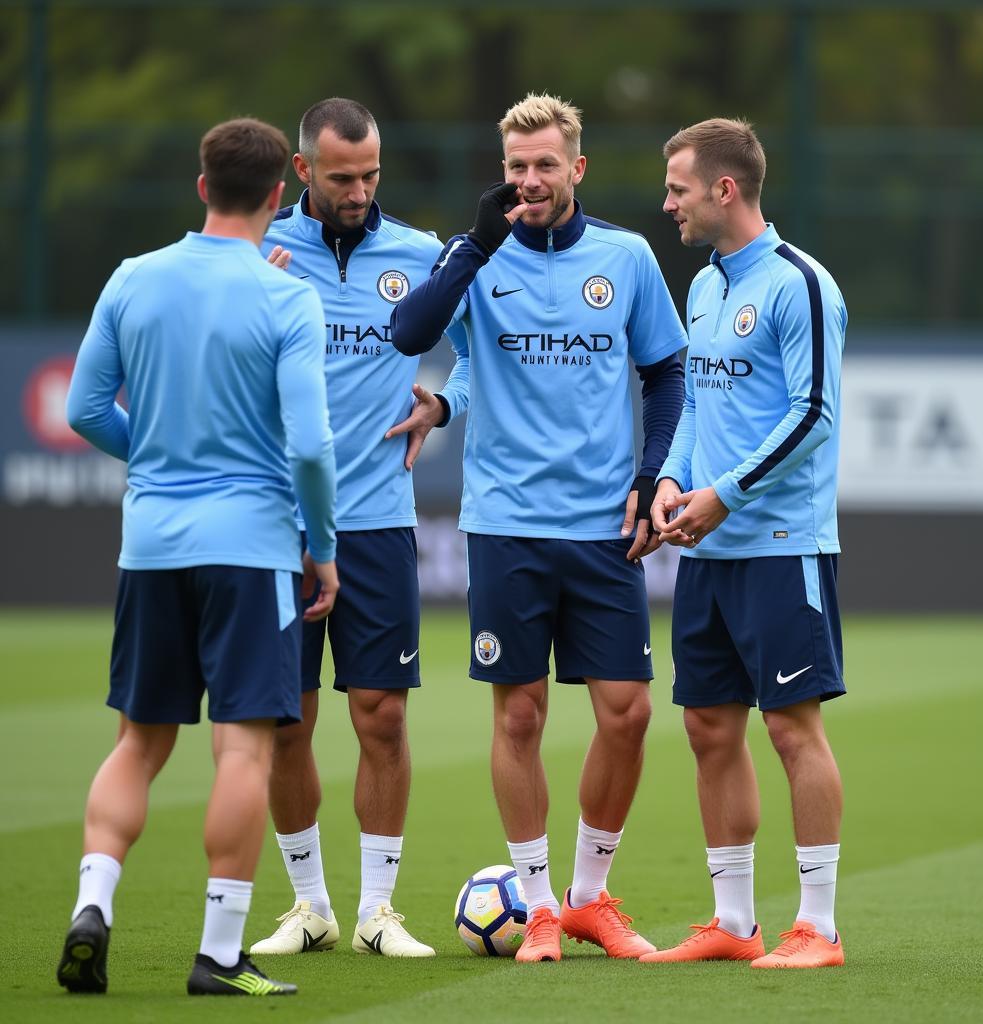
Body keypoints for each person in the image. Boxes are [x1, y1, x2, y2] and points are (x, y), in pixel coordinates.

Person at [391, 93, 686, 963]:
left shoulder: (626, 259)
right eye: (516, 166)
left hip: (602, 528)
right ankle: (537, 908)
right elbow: (409, 330)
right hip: (507, 525)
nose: (528, 181)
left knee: (627, 714)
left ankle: (588, 898)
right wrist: (478, 243)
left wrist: (649, 474)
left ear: (577, 169)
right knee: (517, 716)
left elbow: (667, 376)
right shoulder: (473, 256)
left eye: (545, 165)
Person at [57, 117, 339, 997]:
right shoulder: (286, 297)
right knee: (244, 751)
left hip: (150, 546)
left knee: (139, 742)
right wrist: (321, 548)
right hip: (250, 549)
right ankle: (219, 954)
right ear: (281, 196)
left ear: (201, 185)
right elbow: (308, 449)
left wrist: (158, 454)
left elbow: (84, 409)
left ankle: (92, 902)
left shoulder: (133, 278)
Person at [248, 97, 467, 960]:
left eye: (371, 174)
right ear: (302, 171)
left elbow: (485, 349)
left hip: (378, 521)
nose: (359, 190)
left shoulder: (418, 255)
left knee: (381, 716)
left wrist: (444, 402)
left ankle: (378, 911)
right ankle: (310, 907)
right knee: (286, 723)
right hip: (276, 523)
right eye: (342, 177)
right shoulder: (260, 253)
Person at [640, 118, 847, 969]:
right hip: (708, 550)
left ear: (725, 189)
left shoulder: (799, 282)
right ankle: (732, 921)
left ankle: (819, 929)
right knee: (707, 727)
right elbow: (694, 404)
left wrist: (723, 495)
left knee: (793, 732)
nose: (668, 204)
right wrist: (668, 480)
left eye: (679, 189)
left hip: (780, 542)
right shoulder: (704, 283)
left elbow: (811, 413)